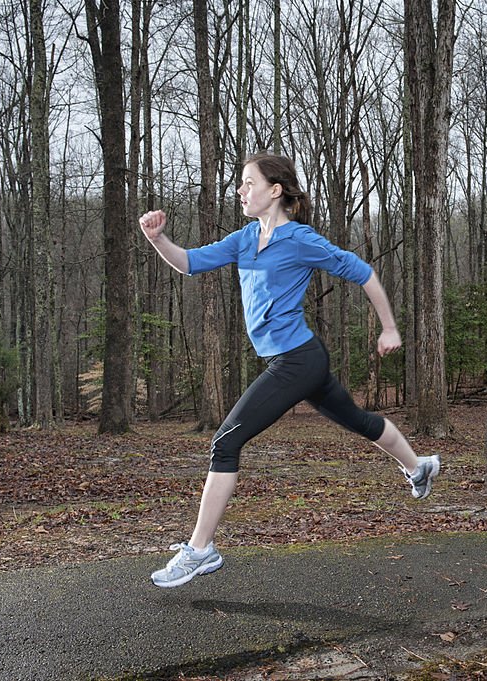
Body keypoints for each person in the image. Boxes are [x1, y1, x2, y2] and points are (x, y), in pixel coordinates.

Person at [140, 152, 441, 588]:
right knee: (358, 421)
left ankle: (200, 551)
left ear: (275, 190)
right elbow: (189, 262)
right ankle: (419, 467)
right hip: (302, 358)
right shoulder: (244, 239)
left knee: (226, 441)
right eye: (240, 184)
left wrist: (389, 327)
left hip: (297, 360)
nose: (241, 191)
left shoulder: (301, 240)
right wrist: (158, 239)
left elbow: (364, 274)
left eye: (248, 183)